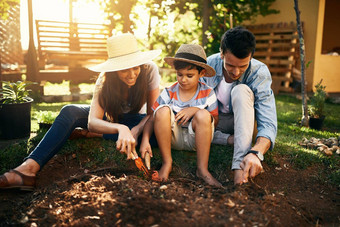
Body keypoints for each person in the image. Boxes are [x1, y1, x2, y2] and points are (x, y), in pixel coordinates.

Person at [0, 33, 161, 191]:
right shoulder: (105, 80)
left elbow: (152, 113)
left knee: (160, 131)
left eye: (135, 67)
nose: (132, 74)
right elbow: (93, 121)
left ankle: (95, 135)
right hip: (112, 120)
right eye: (124, 70)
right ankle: (28, 169)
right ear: (114, 69)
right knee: (70, 111)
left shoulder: (149, 70)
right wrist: (121, 129)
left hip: (137, 120)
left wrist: (136, 130)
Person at [200, 26, 277, 185]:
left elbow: (268, 122)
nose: (235, 72)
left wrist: (256, 152)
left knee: (241, 90)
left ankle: (239, 171)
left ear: (251, 57)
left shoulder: (259, 72)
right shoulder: (208, 66)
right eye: (230, 65)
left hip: (244, 123)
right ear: (222, 53)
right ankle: (228, 140)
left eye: (242, 66)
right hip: (215, 123)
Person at [140, 44, 222, 187]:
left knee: (203, 114)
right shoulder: (169, 92)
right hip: (173, 138)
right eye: (180, 74)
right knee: (162, 110)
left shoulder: (208, 93)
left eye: (189, 76)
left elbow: (214, 121)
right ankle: (167, 163)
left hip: (197, 139)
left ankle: (202, 170)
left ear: (201, 73)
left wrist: (195, 110)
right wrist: (145, 139)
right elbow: (152, 119)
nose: (183, 80)